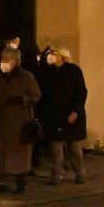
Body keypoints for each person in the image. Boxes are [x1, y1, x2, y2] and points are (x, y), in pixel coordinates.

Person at [0, 46, 41, 194]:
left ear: (16, 61)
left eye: (7, 59)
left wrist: (23, 100)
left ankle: (21, 182)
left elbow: (36, 95)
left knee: (19, 155)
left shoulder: (26, 77)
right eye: (2, 59)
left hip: (18, 122)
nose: (3, 62)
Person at [40, 45, 86, 185]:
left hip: (71, 115)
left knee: (74, 147)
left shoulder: (73, 70)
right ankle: (56, 175)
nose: (51, 55)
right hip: (54, 116)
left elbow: (81, 92)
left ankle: (80, 173)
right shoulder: (48, 72)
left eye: (54, 53)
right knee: (55, 149)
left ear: (62, 56)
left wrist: (75, 111)